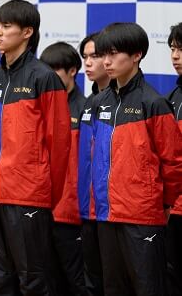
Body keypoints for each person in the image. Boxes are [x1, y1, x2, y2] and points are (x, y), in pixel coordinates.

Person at [0, 0, 71, 295]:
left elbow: (59, 143)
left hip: (29, 195)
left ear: (27, 32)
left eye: (6, 26)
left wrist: (45, 194)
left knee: (33, 280)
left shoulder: (44, 78)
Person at [91, 22, 182, 296]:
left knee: (147, 288)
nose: (106, 61)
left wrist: (164, 205)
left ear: (136, 55)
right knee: (114, 288)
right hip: (107, 214)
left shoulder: (153, 102)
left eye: (114, 53)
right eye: (102, 54)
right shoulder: (100, 103)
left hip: (143, 214)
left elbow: (174, 163)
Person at [40, 41, 88, 296]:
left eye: (55, 70)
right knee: (48, 282)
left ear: (72, 71)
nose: (49, 76)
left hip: (72, 213)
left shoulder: (85, 108)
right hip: (41, 209)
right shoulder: (40, 105)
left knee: (77, 282)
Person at [77, 33, 109, 296]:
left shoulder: (129, 101)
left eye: (94, 56)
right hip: (87, 209)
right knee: (91, 281)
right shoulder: (89, 103)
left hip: (114, 212)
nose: (88, 63)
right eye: (85, 57)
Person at [165, 22, 182, 296]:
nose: (175, 55)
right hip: (174, 209)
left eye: (181, 48)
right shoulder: (172, 96)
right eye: (172, 48)